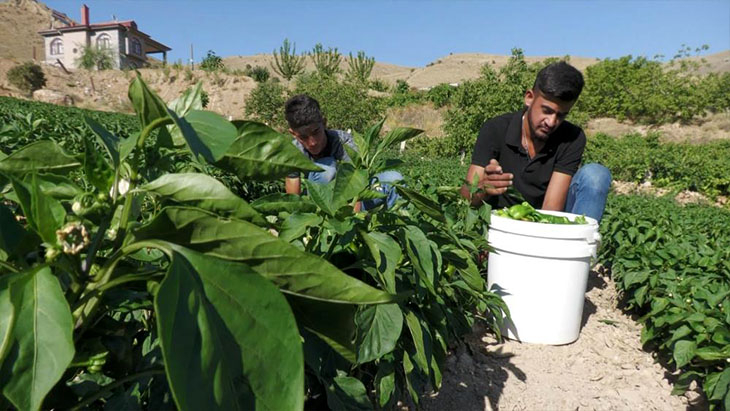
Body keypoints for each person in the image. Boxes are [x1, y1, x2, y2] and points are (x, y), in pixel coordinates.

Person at [460, 61, 611, 222]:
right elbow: (465, 201)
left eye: (561, 115)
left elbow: (551, 209)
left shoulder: (571, 137)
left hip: (545, 221)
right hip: (501, 222)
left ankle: (582, 243)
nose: (552, 122)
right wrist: (484, 186)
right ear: (529, 98)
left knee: (596, 175)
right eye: (546, 111)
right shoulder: (495, 129)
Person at [284, 94, 401, 210]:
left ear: (324, 123)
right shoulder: (293, 151)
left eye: (316, 132)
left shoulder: (344, 142)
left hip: (354, 198)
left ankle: (388, 222)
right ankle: (323, 219)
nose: (312, 142)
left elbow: (356, 183)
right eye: (304, 137)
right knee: (327, 168)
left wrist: (353, 221)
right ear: (293, 133)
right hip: (320, 200)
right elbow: (293, 195)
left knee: (394, 178)